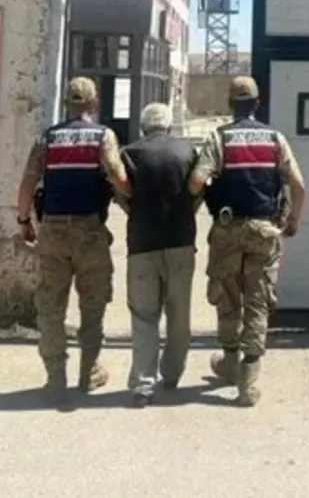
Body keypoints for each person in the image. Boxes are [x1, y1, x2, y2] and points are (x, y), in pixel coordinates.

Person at [188, 75, 306, 407]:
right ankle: (248, 382)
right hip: (265, 230)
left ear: (230, 104)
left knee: (227, 297)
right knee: (257, 301)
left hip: (227, 230)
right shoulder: (274, 139)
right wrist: (293, 221)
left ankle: (229, 362)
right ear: (257, 103)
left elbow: (196, 181)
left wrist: (208, 190)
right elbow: (298, 185)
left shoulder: (219, 138)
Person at [15, 76, 129, 404]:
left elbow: (27, 185)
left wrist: (24, 221)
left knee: (51, 307)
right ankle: (88, 372)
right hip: (90, 230)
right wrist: (133, 198)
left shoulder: (47, 138)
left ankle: (55, 379)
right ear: (93, 103)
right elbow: (117, 175)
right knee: (92, 305)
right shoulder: (103, 136)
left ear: (67, 103)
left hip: (52, 231)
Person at [116, 102, 201, 407]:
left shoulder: (129, 154)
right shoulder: (187, 150)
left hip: (142, 245)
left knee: (144, 315)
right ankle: (172, 374)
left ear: (143, 128)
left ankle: (143, 385)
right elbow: (199, 188)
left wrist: (132, 210)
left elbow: (120, 189)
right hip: (181, 242)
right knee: (179, 313)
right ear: (168, 126)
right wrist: (189, 212)